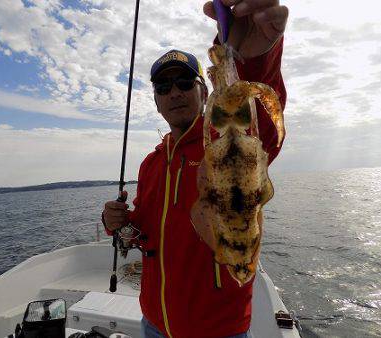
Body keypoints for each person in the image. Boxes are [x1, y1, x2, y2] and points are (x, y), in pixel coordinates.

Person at [102, 0, 288, 337]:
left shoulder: (223, 143)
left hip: (218, 328)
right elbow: (145, 227)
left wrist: (253, 59)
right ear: (157, 102)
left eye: (185, 83)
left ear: (204, 91)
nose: (174, 93)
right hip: (155, 323)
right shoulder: (151, 163)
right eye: (163, 87)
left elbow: (260, 123)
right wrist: (118, 221)